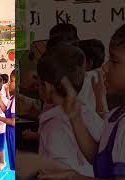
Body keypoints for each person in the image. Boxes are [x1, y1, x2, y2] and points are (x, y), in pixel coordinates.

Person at [39, 24, 125, 180]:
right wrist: (76, 118)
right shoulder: (117, 115)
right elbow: (99, 158)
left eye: (114, 61)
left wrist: (73, 177)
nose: (105, 67)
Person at [36, 43, 104, 177]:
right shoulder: (87, 112)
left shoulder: (53, 126)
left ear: (48, 87)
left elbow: (60, 172)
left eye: (38, 83)